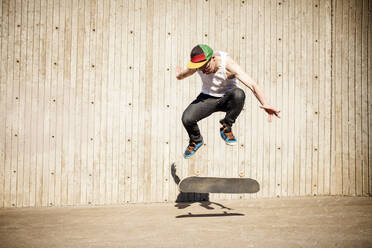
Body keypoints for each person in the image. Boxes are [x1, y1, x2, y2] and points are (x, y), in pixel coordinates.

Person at [176, 44, 280, 158]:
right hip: (207, 98)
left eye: (205, 67)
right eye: (200, 68)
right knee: (187, 118)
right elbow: (184, 74)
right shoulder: (197, 66)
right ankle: (196, 140)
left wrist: (265, 104)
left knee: (239, 94)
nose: (204, 71)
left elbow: (252, 84)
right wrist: (179, 75)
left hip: (228, 98)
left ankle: (226, 126)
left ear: (213, 58)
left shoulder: (227, 63)